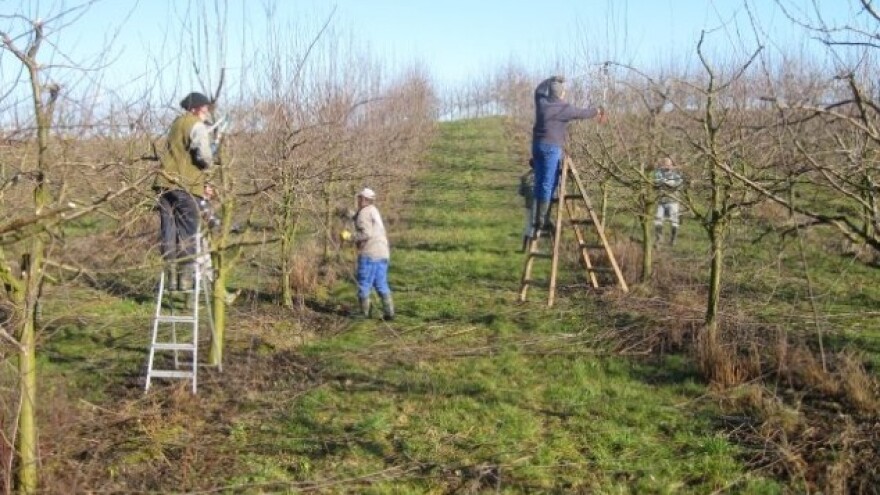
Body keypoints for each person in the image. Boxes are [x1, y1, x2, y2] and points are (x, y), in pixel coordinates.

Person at [153, 91, 216, 290]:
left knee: (168, 231)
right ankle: (186, 279)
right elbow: (204, 156)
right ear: (196, 108)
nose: (207, 111)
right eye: (205, 108)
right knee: (189, 232)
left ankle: (170, 277)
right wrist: (209, 164)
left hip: (165, 184)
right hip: (185, 186)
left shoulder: (176, 123)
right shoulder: (196, 125)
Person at [531, 75, 605, 234]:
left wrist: (551, 78)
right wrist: (597, 110)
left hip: (537, 146)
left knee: (539, 181)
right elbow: (583, 113)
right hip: (552, 147)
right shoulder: (564, 108)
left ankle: (537, 219)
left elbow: (538, 89)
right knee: (548, 183)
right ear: (561, 94)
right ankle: (543, 222)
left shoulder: (542, 103)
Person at [353, 188, 394, 320]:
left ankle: (364, 313)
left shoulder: (364, 213)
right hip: (383, 252)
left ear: (364, 199)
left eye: (360, 198)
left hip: (369, 253)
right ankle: (389, 313)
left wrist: (349, 237)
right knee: (381, 283)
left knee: (364, 283)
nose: (358, 200)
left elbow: (366, 234)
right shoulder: (373, 210)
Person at [653, 157, 685, 246]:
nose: (667, 166)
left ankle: (673, 239)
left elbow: (677, 184)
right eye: (665, 164)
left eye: (669, 164)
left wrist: (666, 183)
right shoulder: (659, 173)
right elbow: (656, 182)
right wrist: (663, 182)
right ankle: (659, 239)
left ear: (672, 165)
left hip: (673, 201)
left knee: (674, 220)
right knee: (658, 219)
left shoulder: (676, 174)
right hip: (661, 201)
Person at [518, 159, 536, 251]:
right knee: (535, 226)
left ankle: (524, 248)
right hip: (538, 204)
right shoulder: (541, 176)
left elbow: (521, 192)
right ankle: (531, 248)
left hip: (528, 203)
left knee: (528, 225)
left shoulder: (525, 177)